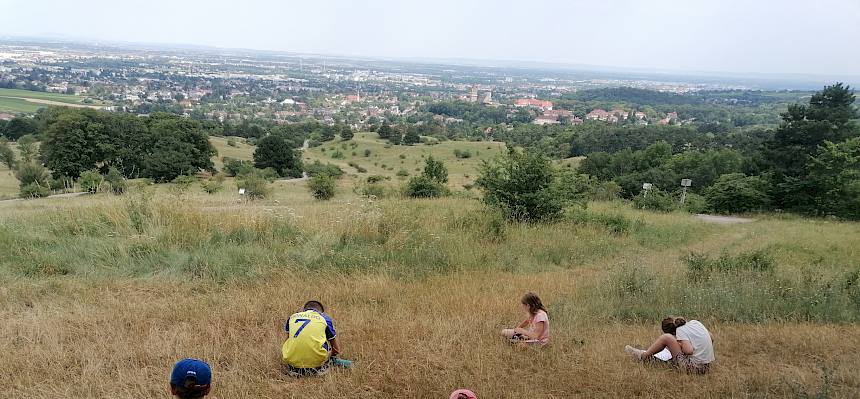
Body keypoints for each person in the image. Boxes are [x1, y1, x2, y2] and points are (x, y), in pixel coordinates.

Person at [281, 300, 351, 376]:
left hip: (292, 365)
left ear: (304, 310)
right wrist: (331, 357)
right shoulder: (325, 318)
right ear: (321, 312)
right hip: (316, 366)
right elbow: (336, 350)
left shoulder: (292, 317)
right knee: (326, 344)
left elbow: (287, 341)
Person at [624, 316, 715, 374]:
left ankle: (643, 356)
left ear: (673, 331)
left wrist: (680, 345)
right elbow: (711, 337)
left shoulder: (680, 330)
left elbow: (689, 350)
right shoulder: (695, 323)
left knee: (666, 338)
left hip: (694, 368)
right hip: (707, 366)